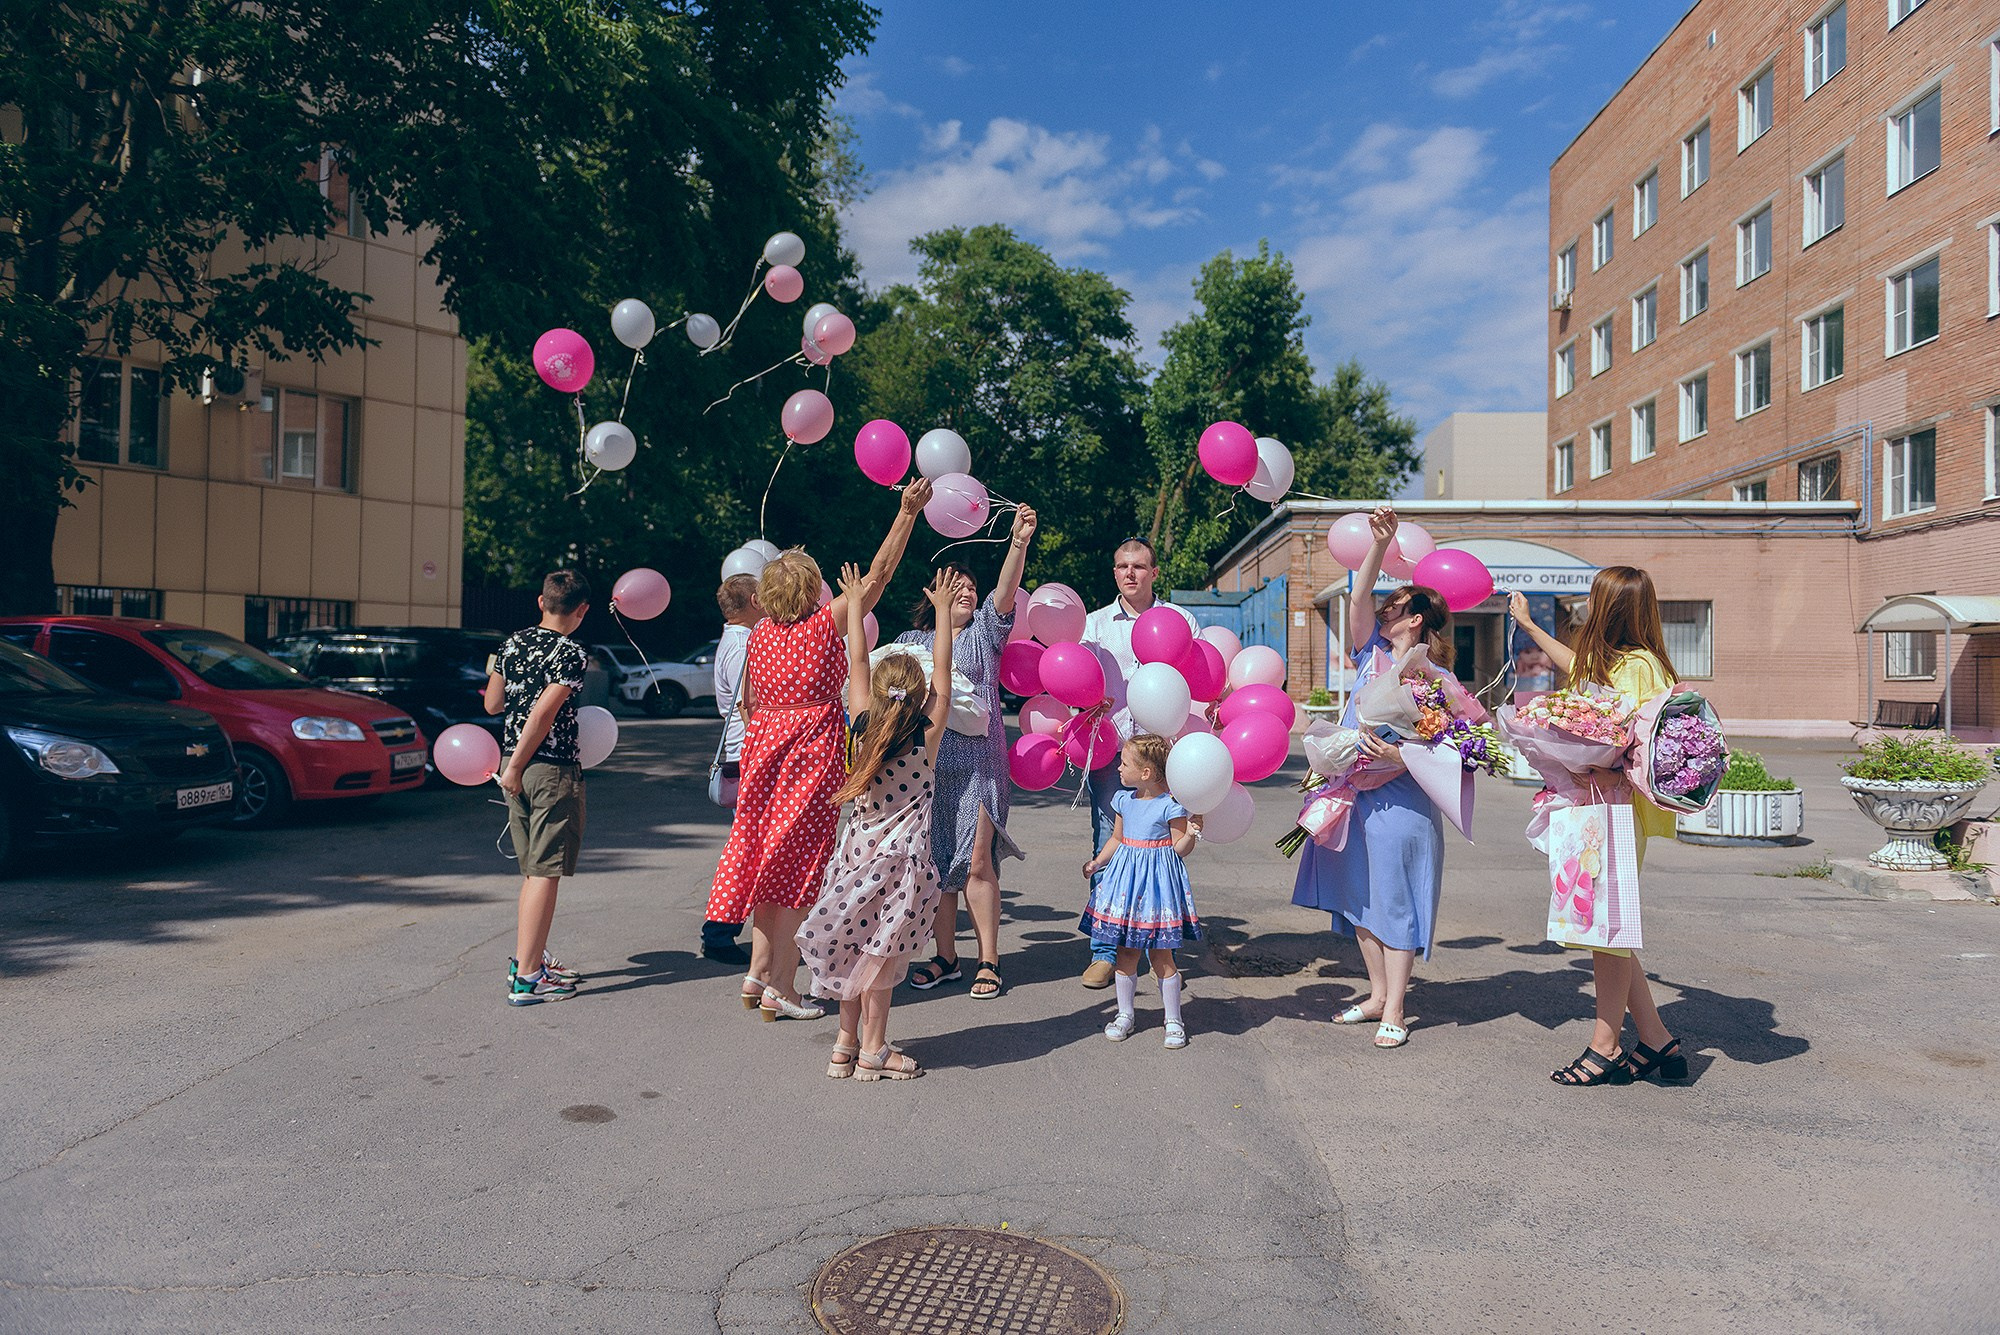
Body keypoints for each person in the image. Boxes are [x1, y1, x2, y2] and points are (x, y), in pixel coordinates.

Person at [705, 479, 932, 1019]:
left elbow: (749, 704)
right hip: (809, 752)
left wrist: (768, 732)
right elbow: (879, 575)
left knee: (767, 858)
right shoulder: (821, 625)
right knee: (799, 868)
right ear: (811, 592)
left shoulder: (758, 635)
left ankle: (759, 973)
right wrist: (906, 513)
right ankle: (783, 986)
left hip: (764, 749)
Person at [1510, 570, 1689, 1087]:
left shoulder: (1637, 666)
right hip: (1608, 805)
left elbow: (1641, 740)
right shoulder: (1634, 661)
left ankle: (1604, 1045)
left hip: (1618, 806)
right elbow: (1581, 668)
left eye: (1595, 599)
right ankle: (1657, 1040)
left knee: (1606, 930)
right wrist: (1529, 626)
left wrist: (1607, 770)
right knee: (1609, 925)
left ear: (1609, 607)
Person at [1291, 507, 1451, 1049]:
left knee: (1396, 898)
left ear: (1417, 619)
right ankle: (1378, 994)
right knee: (1358, 895)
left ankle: (1397, 1010)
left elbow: (1454, 747)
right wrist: (1379, 545)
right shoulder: (1371, 656)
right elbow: (1357, 600)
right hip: (1355, 795)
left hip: (1403, 801)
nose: (1384, 611)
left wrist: (1402, 758)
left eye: (1396, 606)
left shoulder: (1438, 678)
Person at [800, 566, 957, 1081]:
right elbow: (943, 671)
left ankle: (844, 1046)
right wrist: (941, 613)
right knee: (882, 958)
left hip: (854, 858)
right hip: (900, 865)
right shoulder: (926, 736)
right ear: (919, 698)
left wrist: (854, 603)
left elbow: (858, 661)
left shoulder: (861, 725)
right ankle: (873, 1050)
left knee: (851, 948)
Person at [898, 505, 1039, 1001]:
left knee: (978, 863)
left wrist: (1017, 542)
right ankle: (946, 957)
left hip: (980, 766)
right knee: (938, 867)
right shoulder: (910, 642)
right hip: (926, 769)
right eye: (955, 584)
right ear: (932, 593)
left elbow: (1005, 592)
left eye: (971, 587)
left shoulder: (984, 633)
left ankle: (989, 960)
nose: (966, 591)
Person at [1078, 537, 1201, 989]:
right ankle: (1105, 951)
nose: (1129, 573)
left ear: (1154, 572)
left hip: (1166, 754)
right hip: (1111, 751)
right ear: (1115, 572)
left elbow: (1199, 679)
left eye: (1138, 566)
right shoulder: (1094, 625)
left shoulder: (1181, 621)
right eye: (1121, 566)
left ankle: (1160, 949)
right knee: (1109, 840)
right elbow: (1075, 679)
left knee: (1164, 847)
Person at [484, 569, 593, 1006]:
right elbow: (544, 715)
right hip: (548, 769)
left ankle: (529, 960)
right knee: (546, 871)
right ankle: (528, 978)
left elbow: (492, 703)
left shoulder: (511, 643)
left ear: (541, 602)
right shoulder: (571, 652)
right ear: (582, 610)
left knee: (532, 871)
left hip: (512, 761)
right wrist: (517, 768)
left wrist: (512, 767)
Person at [1080, 734, 1201, 1048]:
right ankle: (1125, 1014)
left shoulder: (1170, 806)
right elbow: (1117, 839)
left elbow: (1179, 849)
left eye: (1124, 763)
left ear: (1146, 773)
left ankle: (1173, 1019)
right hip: (1127, 887)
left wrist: (1191, 833)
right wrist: (1098, 862)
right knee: (1126, 952)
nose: (1118, 768)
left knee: (1161, 955)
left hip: (1157, 891)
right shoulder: (1123, 800)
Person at [701, 573, 763, 966]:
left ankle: (723, 929)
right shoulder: (743, 644)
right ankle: (720, 931)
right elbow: (749, 704)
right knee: (746, 847)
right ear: (754, 601)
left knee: (748, 844)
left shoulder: (733, 639)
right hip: (748, 754)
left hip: (742, 753)